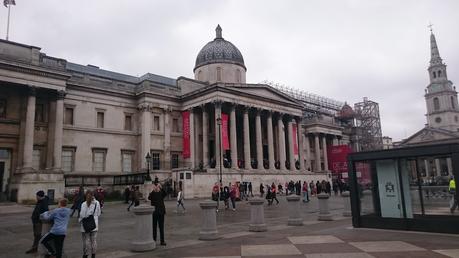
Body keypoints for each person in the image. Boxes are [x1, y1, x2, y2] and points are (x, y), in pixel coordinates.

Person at [79, 190, 101, 258]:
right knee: (94, 241)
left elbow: (82, 215)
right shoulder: (97, 203)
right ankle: (93, 255)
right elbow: (99, 213)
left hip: (86, 225)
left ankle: (85, 255)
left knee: (86, 240)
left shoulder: (84, 204)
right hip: (94, 224)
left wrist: (79, 219)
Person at [148, 178, 167, 246]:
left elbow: (165, 193)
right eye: (155, 186)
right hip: (154, 213)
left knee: (161, 228)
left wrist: (160, 187)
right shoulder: (152, 194)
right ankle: (154, 240)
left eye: (157, 186)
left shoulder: (161, 193)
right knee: (154, 227)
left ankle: (162, 241)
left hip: (161, 213)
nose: (156, 187)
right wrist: (153, 190)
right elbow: (149, 198)